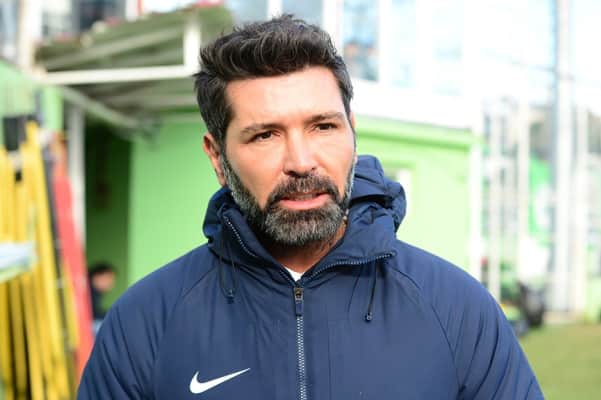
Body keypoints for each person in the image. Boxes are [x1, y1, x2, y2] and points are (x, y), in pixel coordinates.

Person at [78, 15, 543, 399]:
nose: (301, 162)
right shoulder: (145, 323)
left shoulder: (458, 311)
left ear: (352, 132)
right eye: (265, 135)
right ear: (217, 158)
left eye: (323, 127)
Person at [87, 262, 116, 335]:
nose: (111, 283)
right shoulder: (86, 290)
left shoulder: (95, 292)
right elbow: (92, 313)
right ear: (97, 276)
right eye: (108, 278)